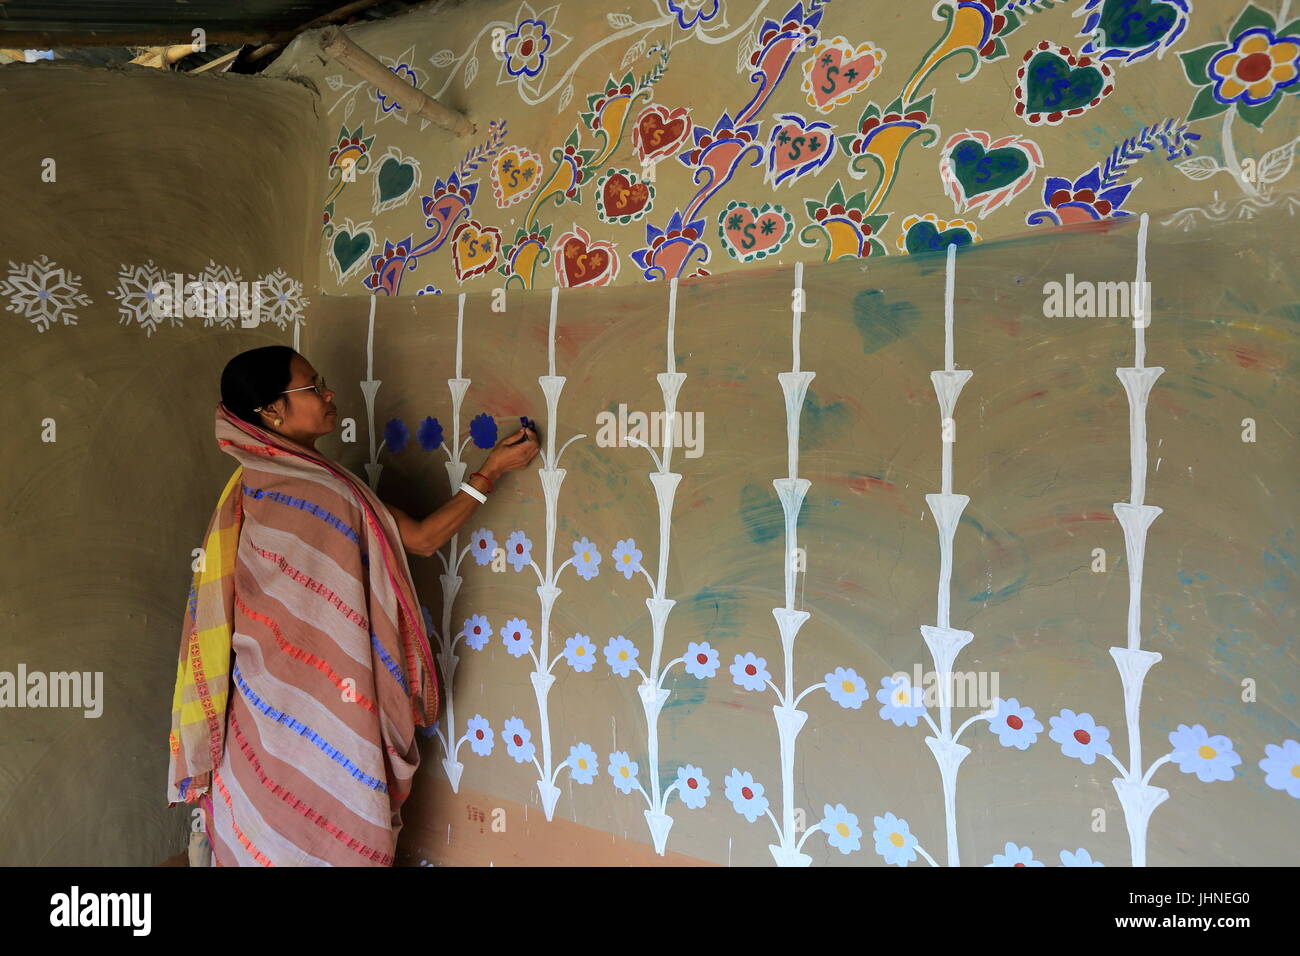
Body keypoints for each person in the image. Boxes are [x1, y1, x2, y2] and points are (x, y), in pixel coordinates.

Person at [166, 345, 538, 866]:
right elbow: (424, 540)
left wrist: (492, 469)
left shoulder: (275, 481)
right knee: (332, 810)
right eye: (313, 387)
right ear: (273, 410)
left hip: (265, 701)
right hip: (309, 697)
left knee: (268, 824)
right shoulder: (318, 489)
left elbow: (421, 539)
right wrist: (490, 473)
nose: (329, 394)